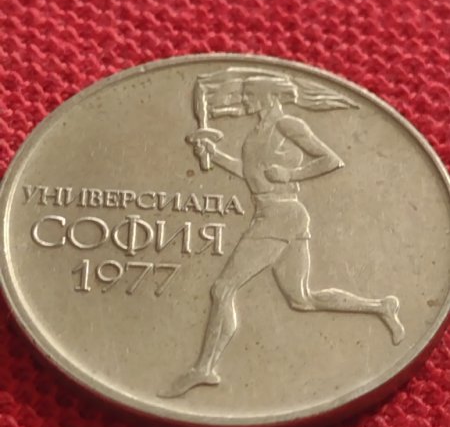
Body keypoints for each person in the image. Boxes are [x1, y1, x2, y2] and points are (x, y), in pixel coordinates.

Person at [161, 73, 405, 398]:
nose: (244, 101)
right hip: (277, 214)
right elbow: (250, 175)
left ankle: (204, 368)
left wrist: (291, 173)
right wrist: (214, 154)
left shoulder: (287, 125)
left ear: (268, 96)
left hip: (279, 216)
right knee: (302, 299)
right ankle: (381, 306)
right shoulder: (256, 132)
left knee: (223, 288)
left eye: (249, 95)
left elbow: (330, 159)